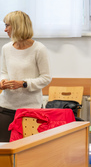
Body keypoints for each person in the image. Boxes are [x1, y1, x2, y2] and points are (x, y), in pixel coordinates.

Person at [0, 11, 52, 142]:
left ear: (17, 26)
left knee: (30, 149)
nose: (5, 29)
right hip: (6, 108)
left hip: (31, 110)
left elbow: (46, 78)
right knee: (5, 148)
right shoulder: (6, 48)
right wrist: (3, 81)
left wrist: (24, 83)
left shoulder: (39, 49)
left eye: (7, 25)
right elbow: (3, 72)